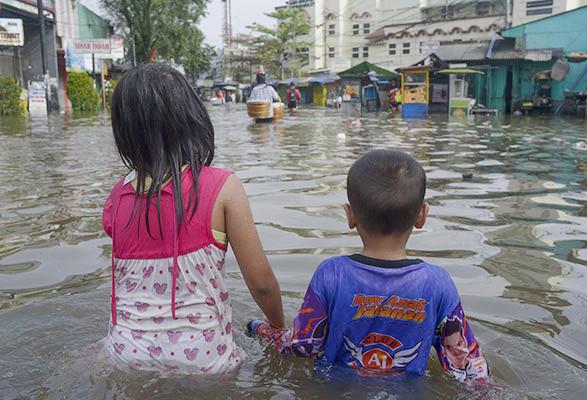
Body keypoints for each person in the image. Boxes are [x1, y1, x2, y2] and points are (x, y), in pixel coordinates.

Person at [103, 63, 285, 374]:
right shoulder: (222, 187)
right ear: (194, 118)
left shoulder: (117, 197)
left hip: (125, 354)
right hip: (204, 359)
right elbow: (262, 284)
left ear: (125, 132)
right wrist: (278, 327)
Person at [248, 149, 490, 382]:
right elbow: (464, 363)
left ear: (350, 216)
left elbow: (304, 345)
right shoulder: (438, 283)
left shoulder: (331, 274)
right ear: (422, 216)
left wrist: (261, 329)